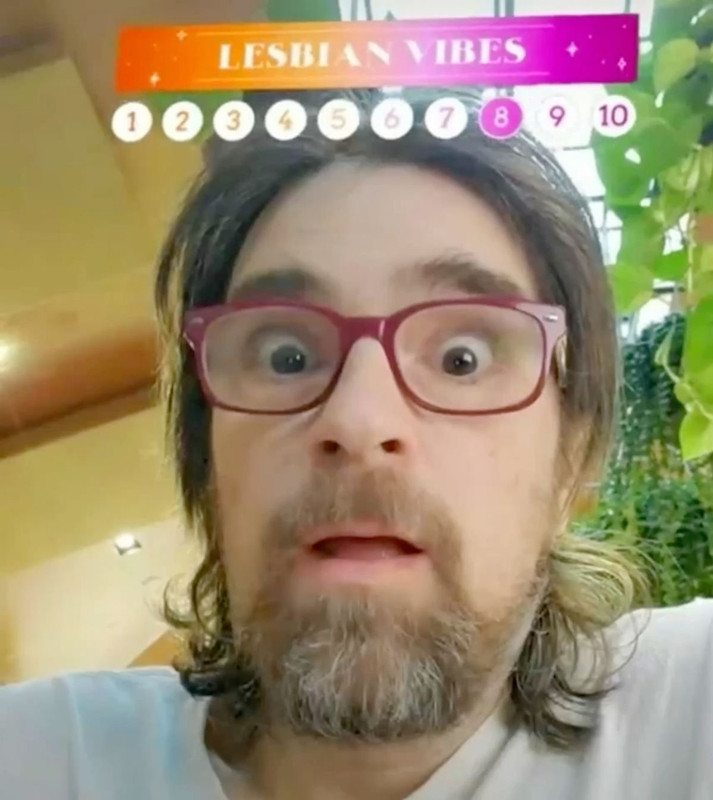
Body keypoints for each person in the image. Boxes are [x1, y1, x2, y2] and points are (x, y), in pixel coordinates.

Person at [2, 89, 712, 800]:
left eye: (462, 358)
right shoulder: (36, 759)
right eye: (285, 357)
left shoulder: (689, 713)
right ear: (208, 464)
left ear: (573, 461)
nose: (360, 420)